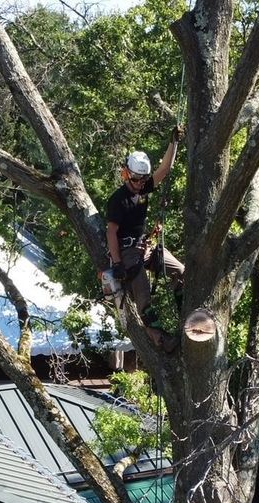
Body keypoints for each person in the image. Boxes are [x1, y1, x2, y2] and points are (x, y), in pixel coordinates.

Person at [105, 128, 185, 350]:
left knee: (181, 270)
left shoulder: (143, 189)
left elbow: (165, 169)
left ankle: (187, 316)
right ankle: (160, 339)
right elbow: (111, 232)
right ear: (127, 174)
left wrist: (173, 142)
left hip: (145, 246)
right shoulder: (118, 200)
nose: (140, 184)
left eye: (143, 180)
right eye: (137, 179)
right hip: (128, 252)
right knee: (143, 297)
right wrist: (118, 263)